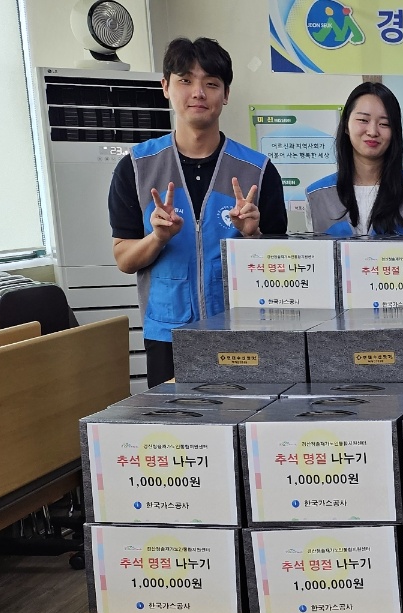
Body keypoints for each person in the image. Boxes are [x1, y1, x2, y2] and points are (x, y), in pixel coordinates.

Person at [109, 37, 285, 387]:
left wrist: (253, 236)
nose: (198, 93)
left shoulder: (258, 170)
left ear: (226, 94)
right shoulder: (137, 167)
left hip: (243, 329)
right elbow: (124, 259)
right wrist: (157, 238)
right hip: (168, 333)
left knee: (246, 416)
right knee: (177, 419)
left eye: (211, 83)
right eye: (185, 80)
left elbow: (281, 265)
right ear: (166, 87)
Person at [305, 82, 403, 237]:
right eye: (363, 120)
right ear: (346, 125)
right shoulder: (316, 195)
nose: (373, 131)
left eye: (384, 123)